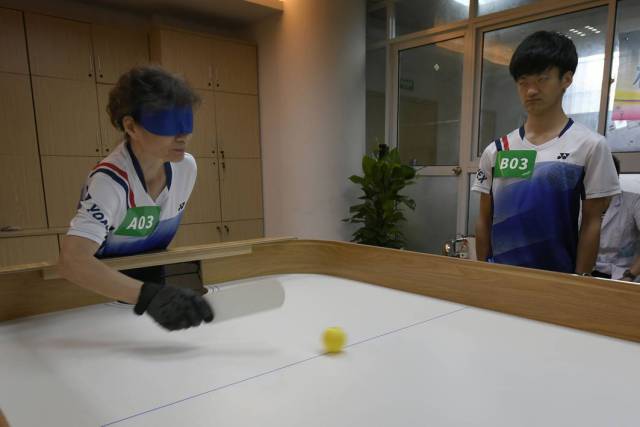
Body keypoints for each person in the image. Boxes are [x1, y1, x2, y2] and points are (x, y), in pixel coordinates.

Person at [59, 65, 213, 330]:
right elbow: (72, 261)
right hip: (101, 293)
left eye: (186, 122)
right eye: (168, 123)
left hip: (153, 281)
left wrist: (157, 295)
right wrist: (148, 297)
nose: (183, 135)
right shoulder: (110, 181)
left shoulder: (186, 167)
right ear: (131, 126)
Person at [472, 31, 620, 274]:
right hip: (501, 276)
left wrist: (579, 282)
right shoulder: (497, 150)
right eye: (523, 82)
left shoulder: (590, 146)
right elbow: (484, 218)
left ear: (566, 79)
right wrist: (482, 271)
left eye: (542, 79)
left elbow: (592, 222)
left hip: (558, 277)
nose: (531, 90)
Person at [593, 155, 640, 281]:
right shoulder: (579, 203)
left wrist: (630, 275)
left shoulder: (634, 202)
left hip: (622, 274)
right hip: (586, 271)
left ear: (615, 177)